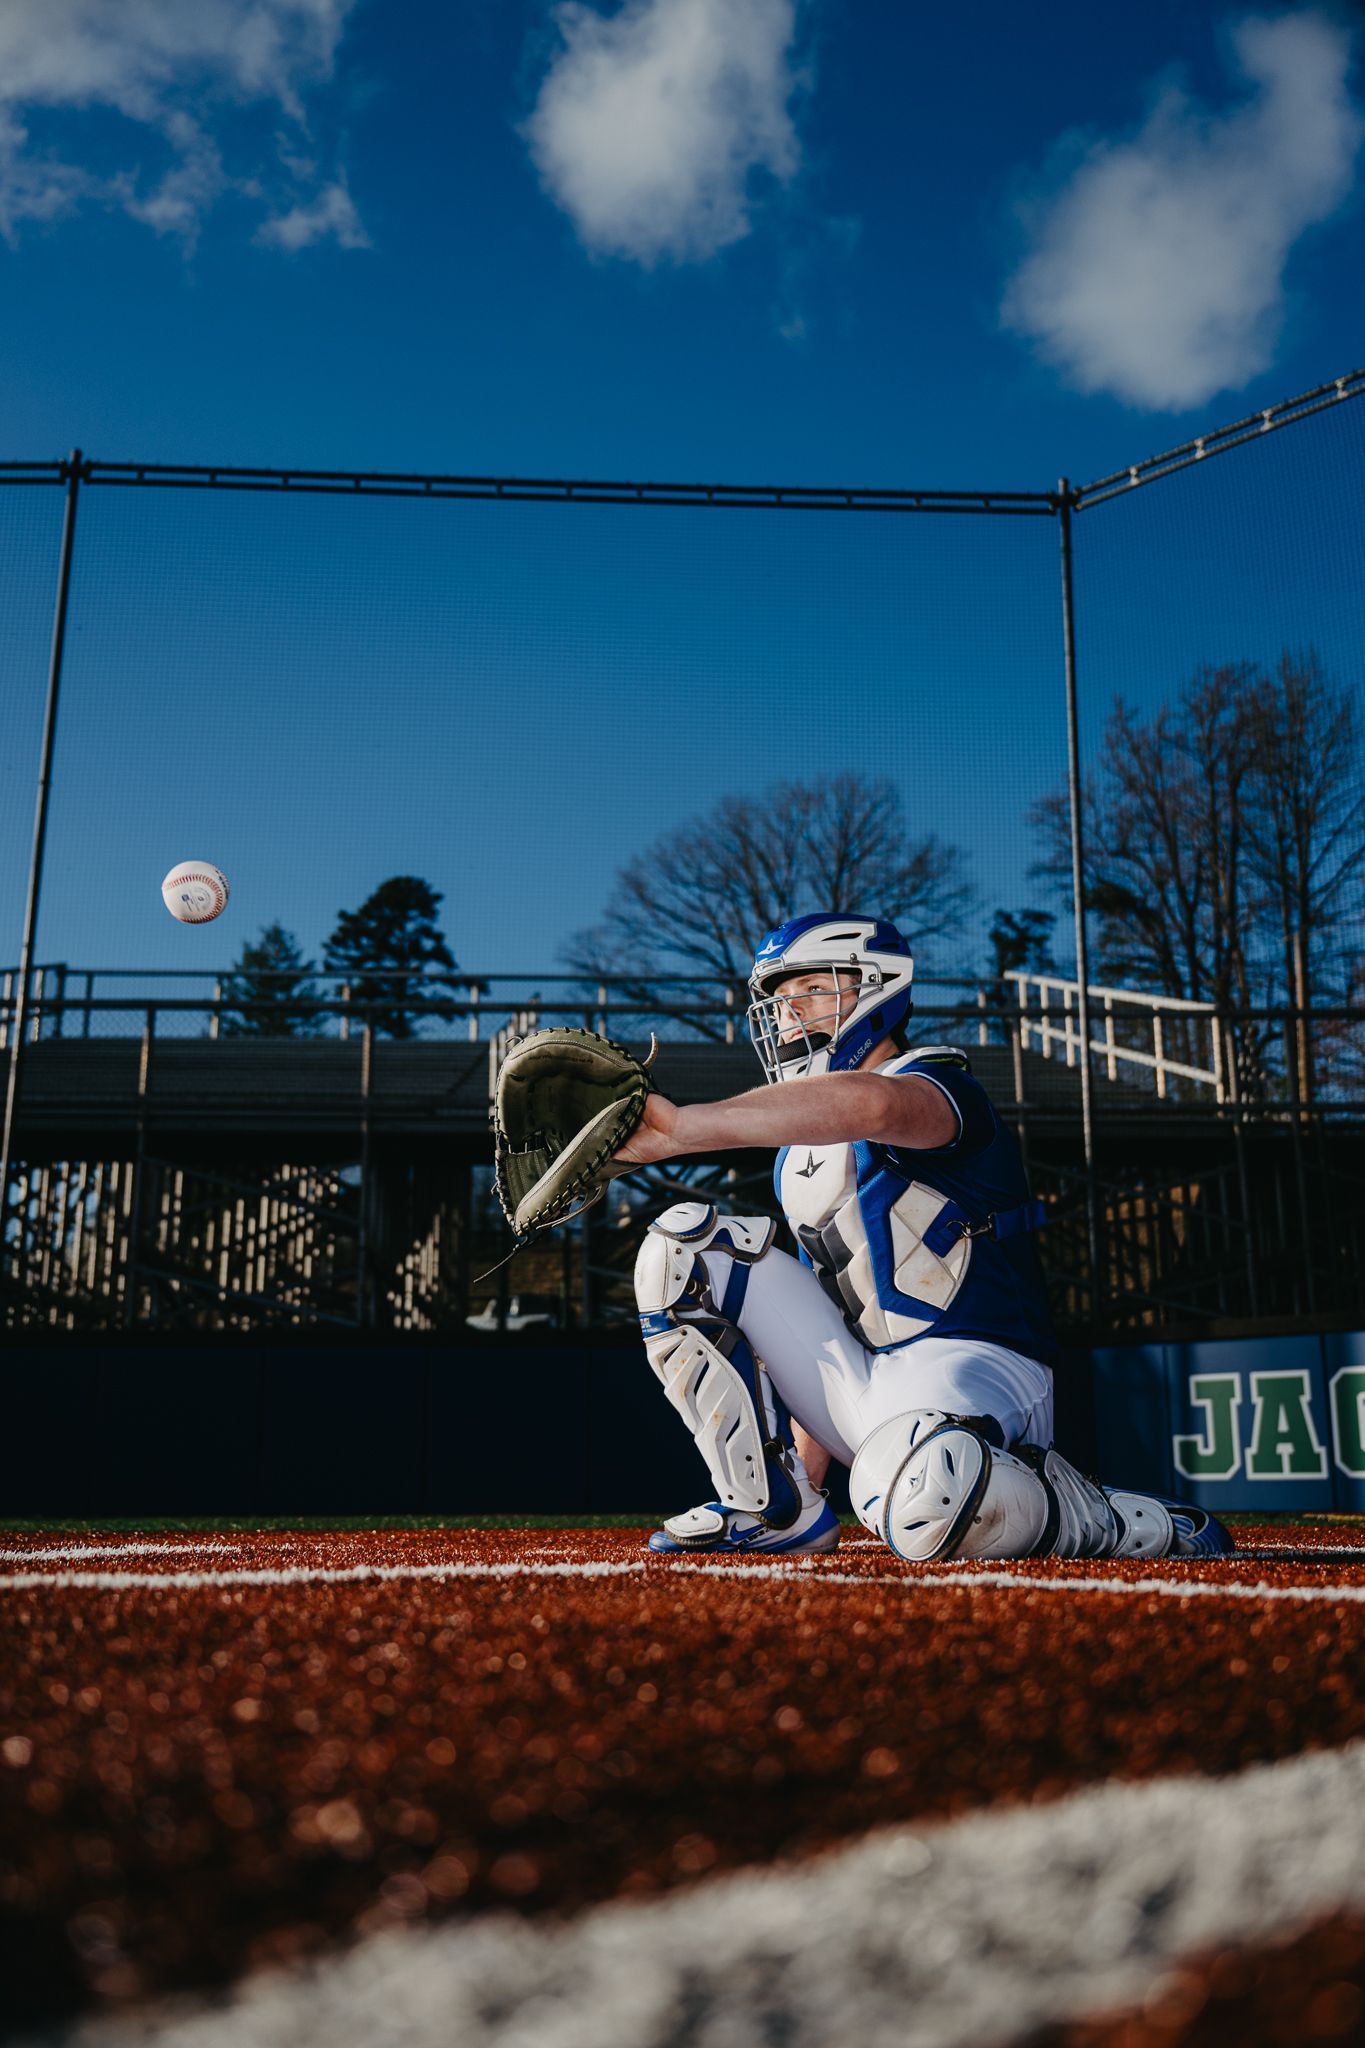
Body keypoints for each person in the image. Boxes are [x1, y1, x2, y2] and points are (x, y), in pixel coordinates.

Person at [614, 912, 1233, 1562]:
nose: (790, 1014)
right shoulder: (796, 1154)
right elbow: (819, 1335)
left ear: (876, 987)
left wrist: (683, 1126)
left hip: (981, 1377)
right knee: (682, 1248)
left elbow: (875, 1106)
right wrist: (809, 1477)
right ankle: (771, 1508)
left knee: (930, 1500)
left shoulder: (940, 1083)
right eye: (779, 999)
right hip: (872, 1390)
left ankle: (1109, 1521)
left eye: (811, 990)